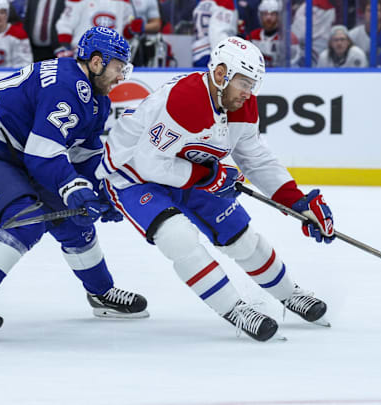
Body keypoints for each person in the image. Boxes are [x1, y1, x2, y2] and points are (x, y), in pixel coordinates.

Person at [95, 36, 333, 342]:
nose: (249, 93)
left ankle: (289, 293)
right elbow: (148, 164)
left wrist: (297, 202)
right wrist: (208, 176)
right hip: (131, 174)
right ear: (221, 74)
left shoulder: (240, 104)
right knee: (178, 237)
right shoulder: (184, 101)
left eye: (254, 84)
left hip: (187, 170)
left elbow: (255, 157)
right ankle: (236, 309)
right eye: (245, 83)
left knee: (240, 235)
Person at [0, 27, 148, 341]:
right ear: (96, 62)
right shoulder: (65, 85)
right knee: (25, 218)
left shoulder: (97, 100)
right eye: (119, 67)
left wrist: (105, 190)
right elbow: (44, 153)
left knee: (74, 218)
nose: (122, 76)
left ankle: (102, 293)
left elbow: (84, 156)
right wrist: (74, 188)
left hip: (18, 155)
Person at [54, 0, 132, 55]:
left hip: (112, 54)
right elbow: (65, 24)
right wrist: (65, 46)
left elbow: (125, 33)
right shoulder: (78, 1)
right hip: (82, 52)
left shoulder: (124, 2)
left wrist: (132, 28)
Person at [248, 0, 300, 67]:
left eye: (272, 14)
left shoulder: (289, 38)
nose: (268, 18)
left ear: (278, 16)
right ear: (260, 16)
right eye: (265, 14)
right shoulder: (252, 36)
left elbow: (293, 63)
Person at [191, 0, 236, 66]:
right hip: (211, 54)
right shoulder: (223, 3)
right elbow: (218, 33)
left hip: (197, 51)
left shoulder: (202, 2)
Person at [291, 0, 336, 64]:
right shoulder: (331, 10)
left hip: (315, 47)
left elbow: (300, 32)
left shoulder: (309, 7)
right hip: (317, 46)